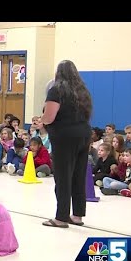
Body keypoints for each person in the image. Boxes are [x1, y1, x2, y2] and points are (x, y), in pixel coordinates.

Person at [39, 61, 93, 228]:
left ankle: (61, 217)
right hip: (84, 134)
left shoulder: (57, 90)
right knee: (78, 175)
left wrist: (41, 122)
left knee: (63, 177)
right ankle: (77, 215)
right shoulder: (83, 91)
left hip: (64, 136)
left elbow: (49, 117)